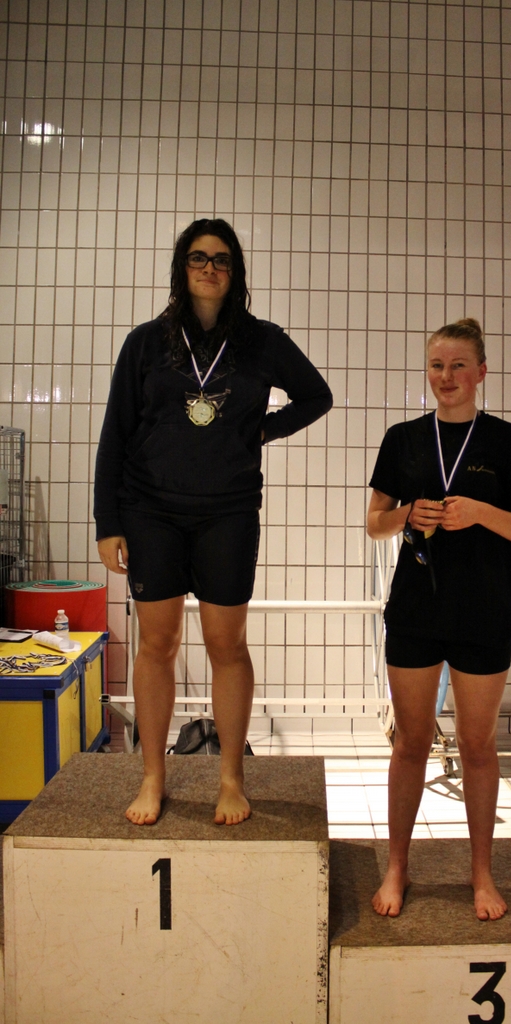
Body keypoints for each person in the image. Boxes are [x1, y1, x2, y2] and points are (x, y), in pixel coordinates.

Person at [95, 218, 332, 826]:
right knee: (158, 645)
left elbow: (317, 396)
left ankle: (231, 778)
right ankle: (153, 777)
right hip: (151, 510)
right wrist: (107, 521)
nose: (210, 268)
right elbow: (115, 433)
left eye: (222, 259)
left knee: (227, 645)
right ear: (183, 267)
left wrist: (261, 430)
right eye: (199, 258)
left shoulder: (261, 341)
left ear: (235, 271)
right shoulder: (146, 343)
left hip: (228, 512)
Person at [366, 318, 511, 920]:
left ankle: (481, 874)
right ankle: (397, 866)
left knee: (477, 745)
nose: (446, 376)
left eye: (459, 365)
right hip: (415, 612)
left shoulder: (507, 442)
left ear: (481, 373)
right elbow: (373, 523)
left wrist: (480, 512)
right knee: (411, 742)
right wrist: (407, 515)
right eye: (437, 365)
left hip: (483, 614)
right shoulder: (403, 439)